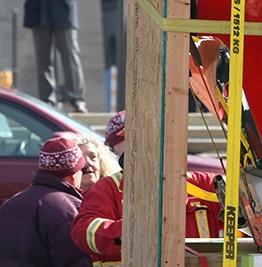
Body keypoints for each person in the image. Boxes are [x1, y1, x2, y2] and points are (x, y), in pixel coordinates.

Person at [71, 110, 224, 264]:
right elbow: (82, 232)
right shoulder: (109, 189)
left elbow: (240, 215)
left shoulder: (203, 185)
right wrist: (132, 230)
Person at [0, 135, 92, 266]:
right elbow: (76, 260)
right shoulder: (68, 209)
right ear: (73, 174)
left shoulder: (9, 204)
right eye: (82, 169)